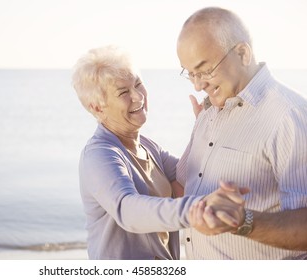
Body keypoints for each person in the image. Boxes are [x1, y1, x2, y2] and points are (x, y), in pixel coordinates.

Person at [71, 45, 246, 260]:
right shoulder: (99, 155)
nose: (138, 96)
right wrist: (195, 209)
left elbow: (191, 179)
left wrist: (204, 125)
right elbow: (128, 210)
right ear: (97, 107)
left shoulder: (148, 146)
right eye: (123, 92)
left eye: (138, 84)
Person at [176, 7, 307, 259]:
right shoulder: (209, 110)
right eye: (190, 73)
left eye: (204, 70)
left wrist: (242, 221)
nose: (197, 84)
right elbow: (183, 185)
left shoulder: (290, 116)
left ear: (242, 53)